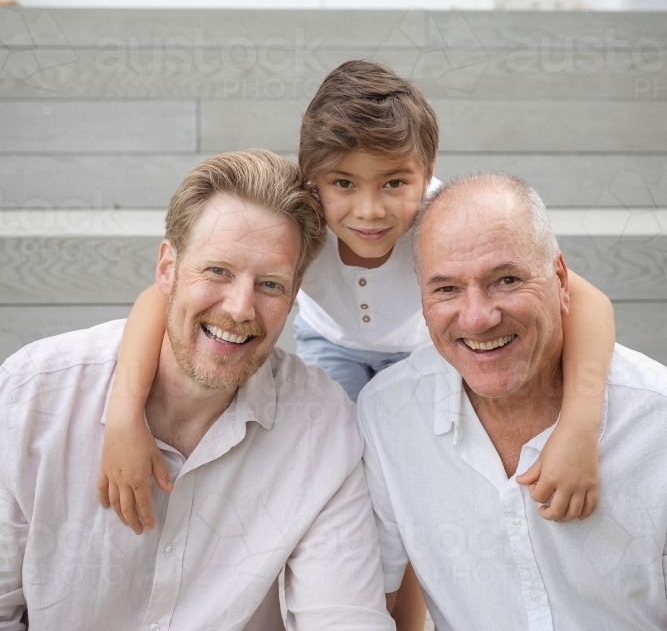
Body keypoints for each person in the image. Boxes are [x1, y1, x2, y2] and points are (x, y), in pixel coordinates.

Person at [98, 62, 615, 631]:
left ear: (428, 173)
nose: (369, 210)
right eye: (343, 183)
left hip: (427, 347)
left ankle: (412, 618)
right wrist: (124, 419)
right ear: (313, 177)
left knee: (419, 480)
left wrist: (578, 429)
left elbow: (586, 301)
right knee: (350, 475)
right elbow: (159, 298)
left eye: (394, 183)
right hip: (334, 343)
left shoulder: (441, 219)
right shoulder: (300, 219)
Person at [0, 150, 395, 631]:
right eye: (217, 272)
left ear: (293, 296)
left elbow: (344, 619)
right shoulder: (34, 395)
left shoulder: (320, 426)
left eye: (269, 284)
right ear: (167, 268)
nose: (240, 308)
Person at [358, 173, 667, 629]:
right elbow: (368, 605)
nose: (478, 317)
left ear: (561, 279)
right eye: (446, 289)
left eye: (505, 279)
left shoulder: (655, 421)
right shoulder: (388, 416)